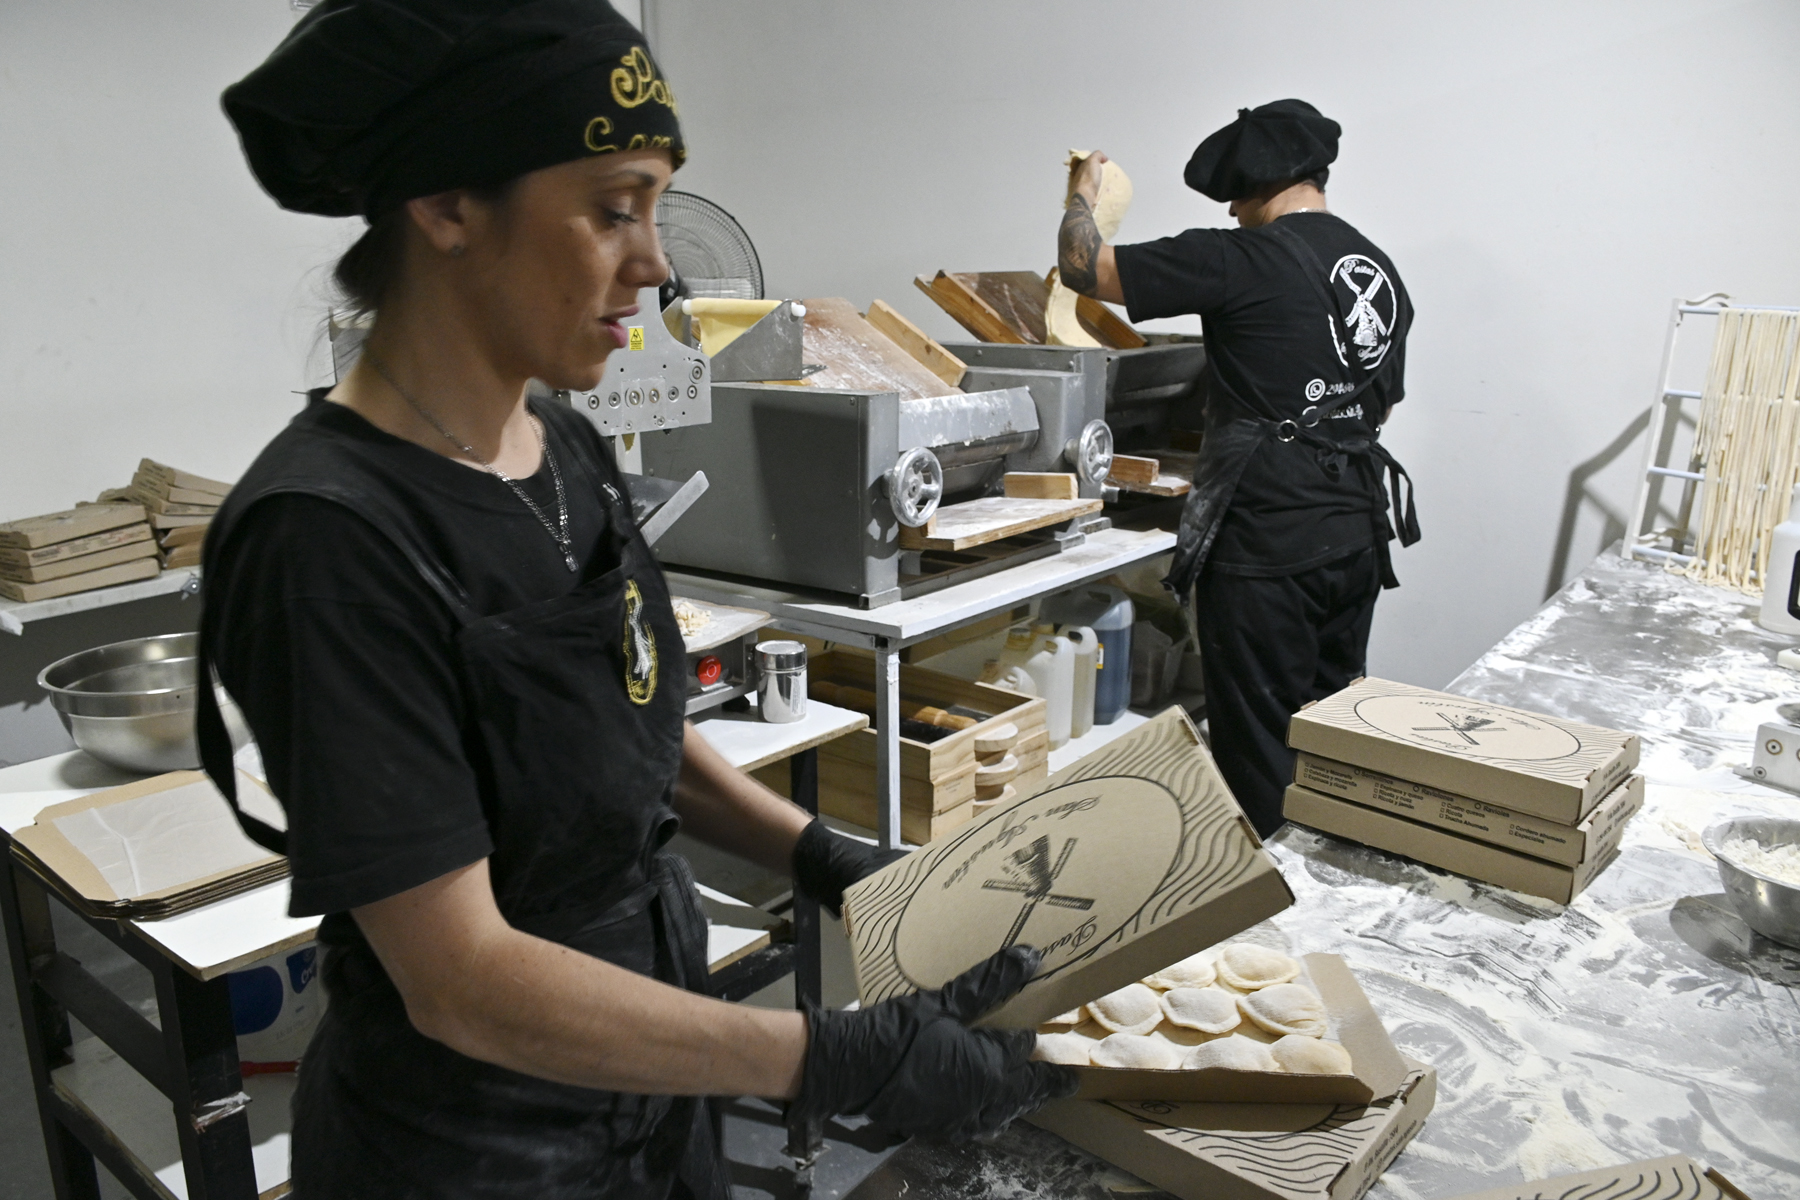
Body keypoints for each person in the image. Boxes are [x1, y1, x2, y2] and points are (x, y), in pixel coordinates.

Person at [199, 3, 1073, 1196]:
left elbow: (631, 733)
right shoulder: (328, 537)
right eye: (615, 208)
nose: (657, 261)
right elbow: (460, 981)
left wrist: (834, 861)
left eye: (659, 209)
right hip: (472, 1143)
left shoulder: (559, 444)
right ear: (448, 203)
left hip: (651, 1084)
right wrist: (821, 1054)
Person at [1057, 99, 1419, 836]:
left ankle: (1264, 929)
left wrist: (1082, 194)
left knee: (1257, 755)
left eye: (1232, 193)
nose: (1229, 208)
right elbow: (1380, 405)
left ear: (1251, 186)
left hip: (1268, 543)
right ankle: (1325, 900)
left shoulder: (1239, 255)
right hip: (1354, 530)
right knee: (1327, 740)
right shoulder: (1374, 266)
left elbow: (1080, 269)